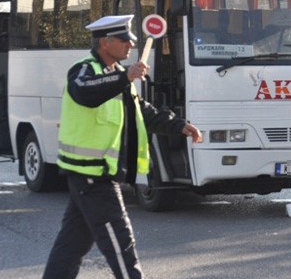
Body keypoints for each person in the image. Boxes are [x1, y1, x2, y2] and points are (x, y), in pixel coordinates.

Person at [43, 15, 202, 279]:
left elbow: (142, 112)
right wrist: (126, 77)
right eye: (125, 41)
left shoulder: (117, 74)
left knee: (71, 247)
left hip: (95, 174)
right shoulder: (84, 70)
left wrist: (179, 125)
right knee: (121, 245)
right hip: (92, 175)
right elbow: (83, 91)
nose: (130, 46)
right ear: (105, 43)